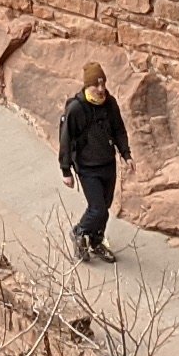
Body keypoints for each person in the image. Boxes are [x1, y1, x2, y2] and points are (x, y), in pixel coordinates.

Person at [60, 62, 133, 263]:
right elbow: (65, 139)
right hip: (87, 167)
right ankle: (79, 231)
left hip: (107, 163)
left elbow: (119, 129)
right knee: (97, 208)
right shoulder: (76, 109)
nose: (101, 90)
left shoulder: (110, 104)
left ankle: (95, 241)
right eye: (96, 86)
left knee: (105, 207)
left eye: (103, 84)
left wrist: (126, 154)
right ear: (87, 86)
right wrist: (66, 170)